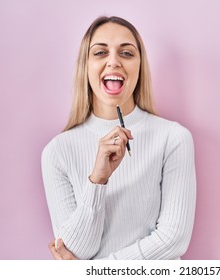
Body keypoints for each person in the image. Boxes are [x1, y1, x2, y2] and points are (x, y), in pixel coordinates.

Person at [41, 16, 196, 260]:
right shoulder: (57, 152)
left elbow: (173, 239)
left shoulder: (173, 138)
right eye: (100, 52)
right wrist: (97, 180)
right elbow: (74, 251)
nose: (113, 62)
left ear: (140, 66)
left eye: (126, 53)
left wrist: (94, 272)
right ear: (86, 65)